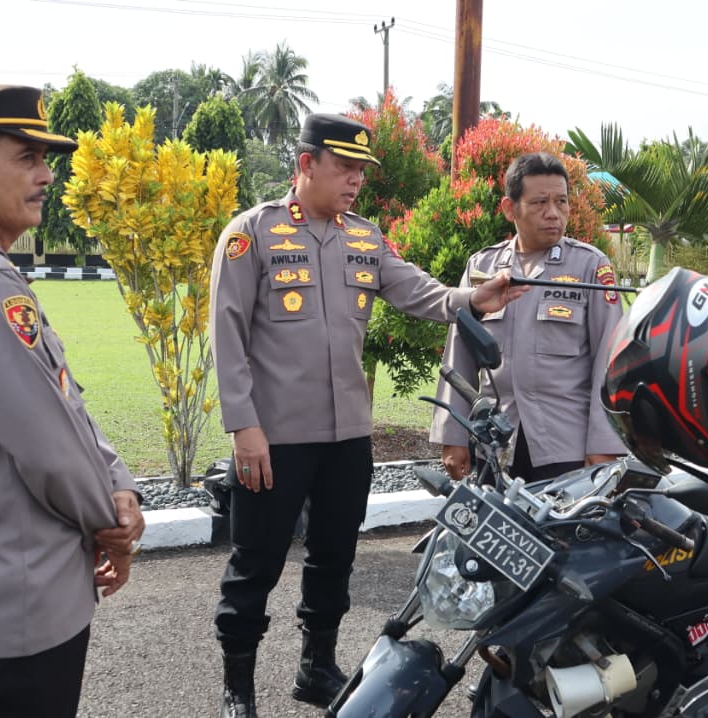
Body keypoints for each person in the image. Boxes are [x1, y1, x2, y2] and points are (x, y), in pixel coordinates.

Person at [209, 112, 527, 717]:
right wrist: (243, 428)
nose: (356, 180)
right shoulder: (252, 234)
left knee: (334, 556)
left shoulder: (364, 237)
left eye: (361, 170)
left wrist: (472, 298)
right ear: (306, 164)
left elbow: (417, 290)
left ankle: (315, 667)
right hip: (273, 438)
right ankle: (237, 689)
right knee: (256, 563)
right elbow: (226, 338)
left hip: (347, 436)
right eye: (344, 168)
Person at [0, 85, 144, 717]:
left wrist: (119, 480)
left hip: (15, 589)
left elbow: (62, 399)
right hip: (15, 603)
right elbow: (50, 449)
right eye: (27, 158)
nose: (46, 175)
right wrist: (114, 527)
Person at [431, 152, 627, 482]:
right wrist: (453, 435)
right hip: (495, 443)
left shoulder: (590, 267)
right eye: (539, 203)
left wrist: (604, 445)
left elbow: (610, 364)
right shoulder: (483, 267)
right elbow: (459, 357)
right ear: (510, 209)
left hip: (566, 445)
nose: (553, 213)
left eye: (561, 201)